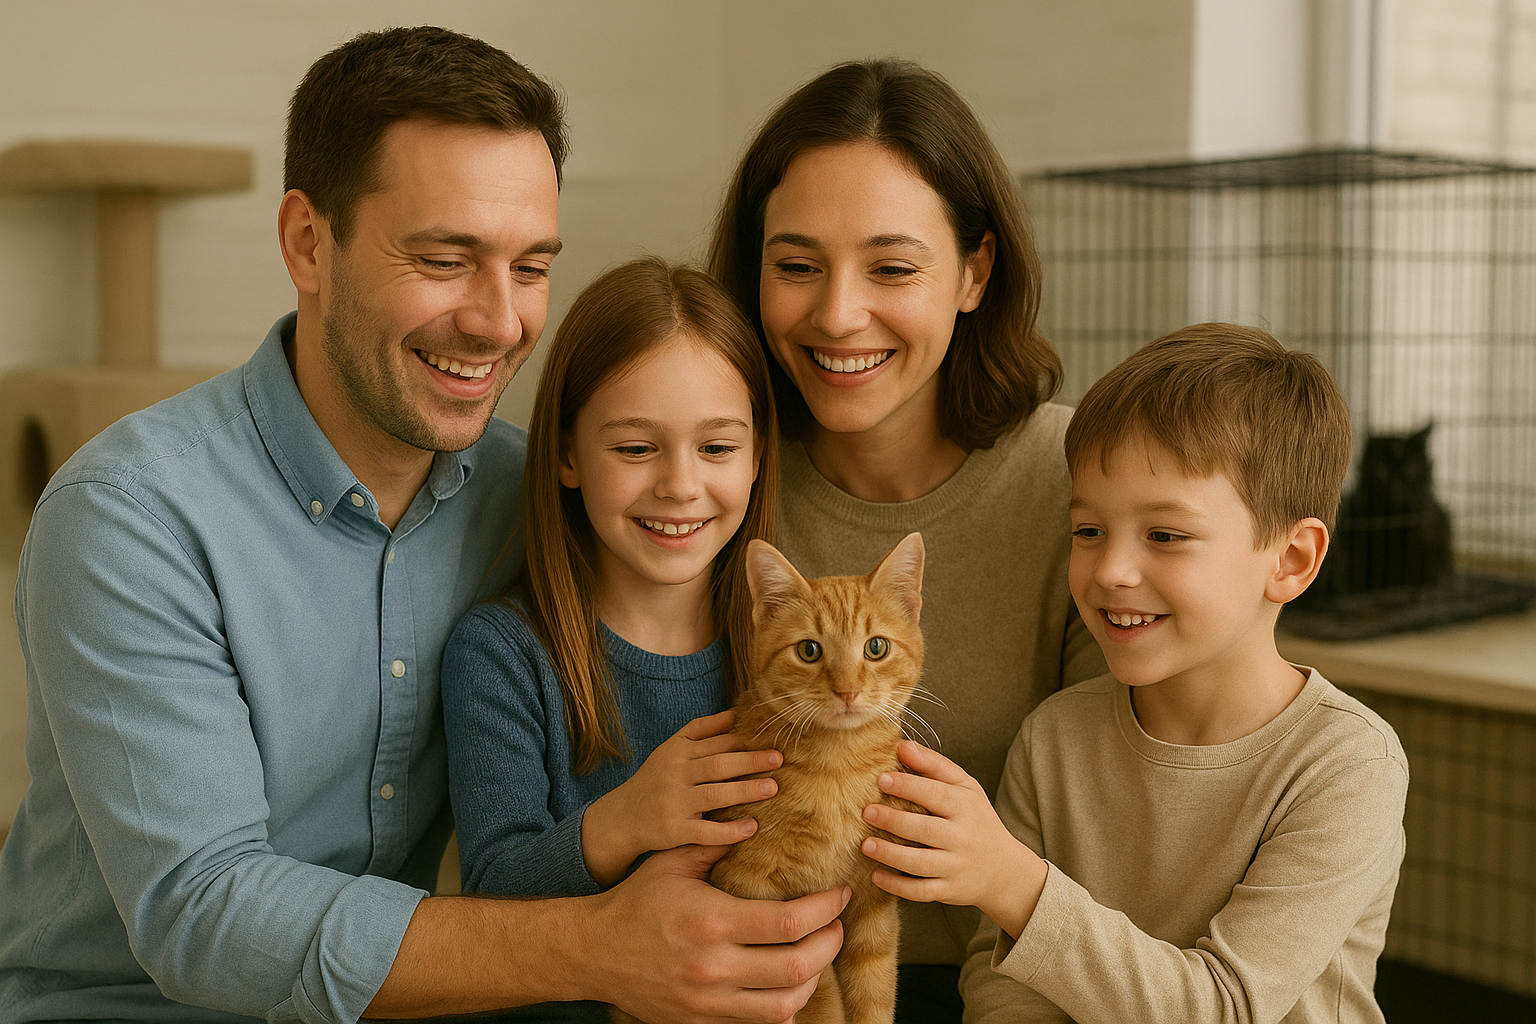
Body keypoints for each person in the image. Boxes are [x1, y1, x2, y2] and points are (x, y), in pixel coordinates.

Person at [0, 27, 843, 1024]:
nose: (496, 320)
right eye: (447, 258)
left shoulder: (536, 489)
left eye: (531, 267)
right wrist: (603, 946)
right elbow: (203, 909)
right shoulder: (129, 519)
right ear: (308, 244)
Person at [859, 323, 1411, 1022]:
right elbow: (1000, 988)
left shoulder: (1347, 765)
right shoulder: (1054, 736)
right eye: (1088, 530)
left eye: (1166, 536)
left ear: (1292, 561)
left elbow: (1226, 1008)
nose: (1111, 570)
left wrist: (1014, 883)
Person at [707, 58, 1106, 1018]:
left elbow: (1128, 815)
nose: (839, 314)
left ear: (975, 272)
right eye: (796, 266)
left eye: (892, 267)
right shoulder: (710, 477)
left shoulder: (1082, 485)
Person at [441, 256, 782, 1021]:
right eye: (635, 449)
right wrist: (629, 818)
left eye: (718, 448)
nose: (681, 486)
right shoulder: (501, 653)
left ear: (758, 457)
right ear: (566, 455)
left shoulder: (796, 655)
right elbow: (492, 892)